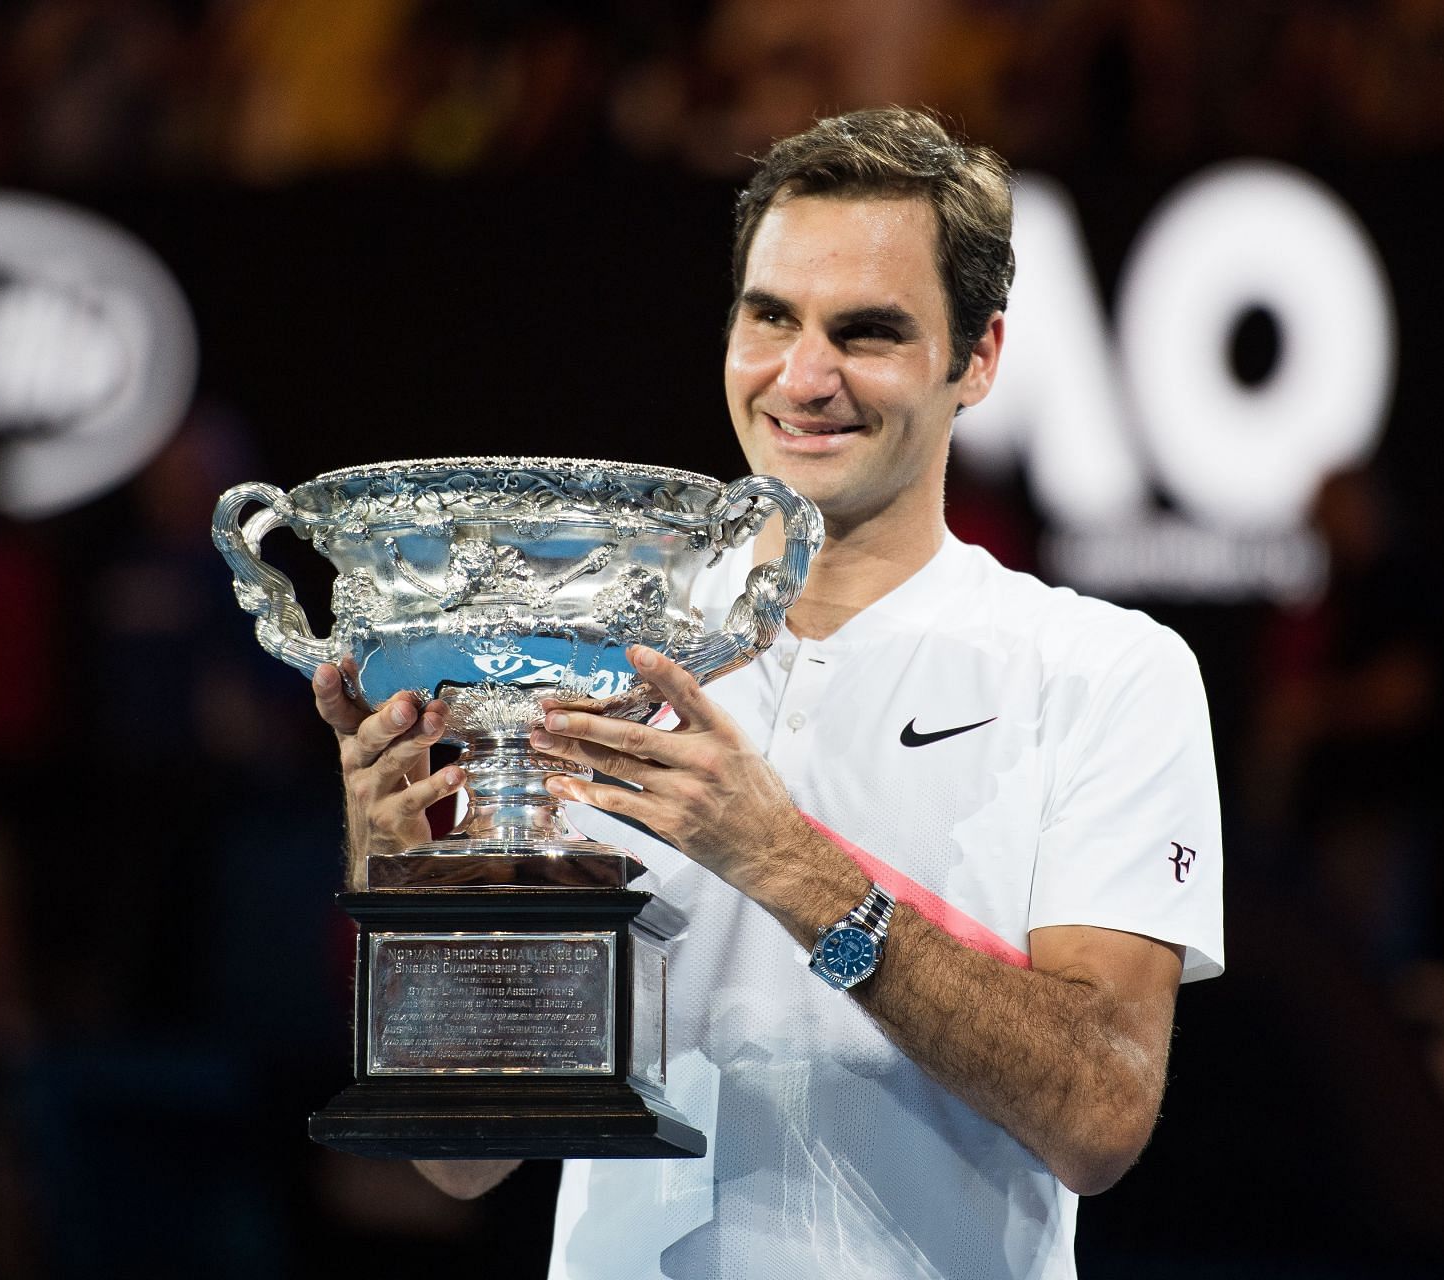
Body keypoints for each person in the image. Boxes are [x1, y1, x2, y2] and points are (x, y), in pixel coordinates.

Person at [310, 107, 1223, 1279]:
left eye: (869, 331)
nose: (804, 377)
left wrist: (788, 865)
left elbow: (1100, 1113)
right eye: (772, 316)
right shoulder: (586, 665)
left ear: (978, 359)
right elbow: (463, 1160)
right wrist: (408, 891)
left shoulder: (1103, 669)